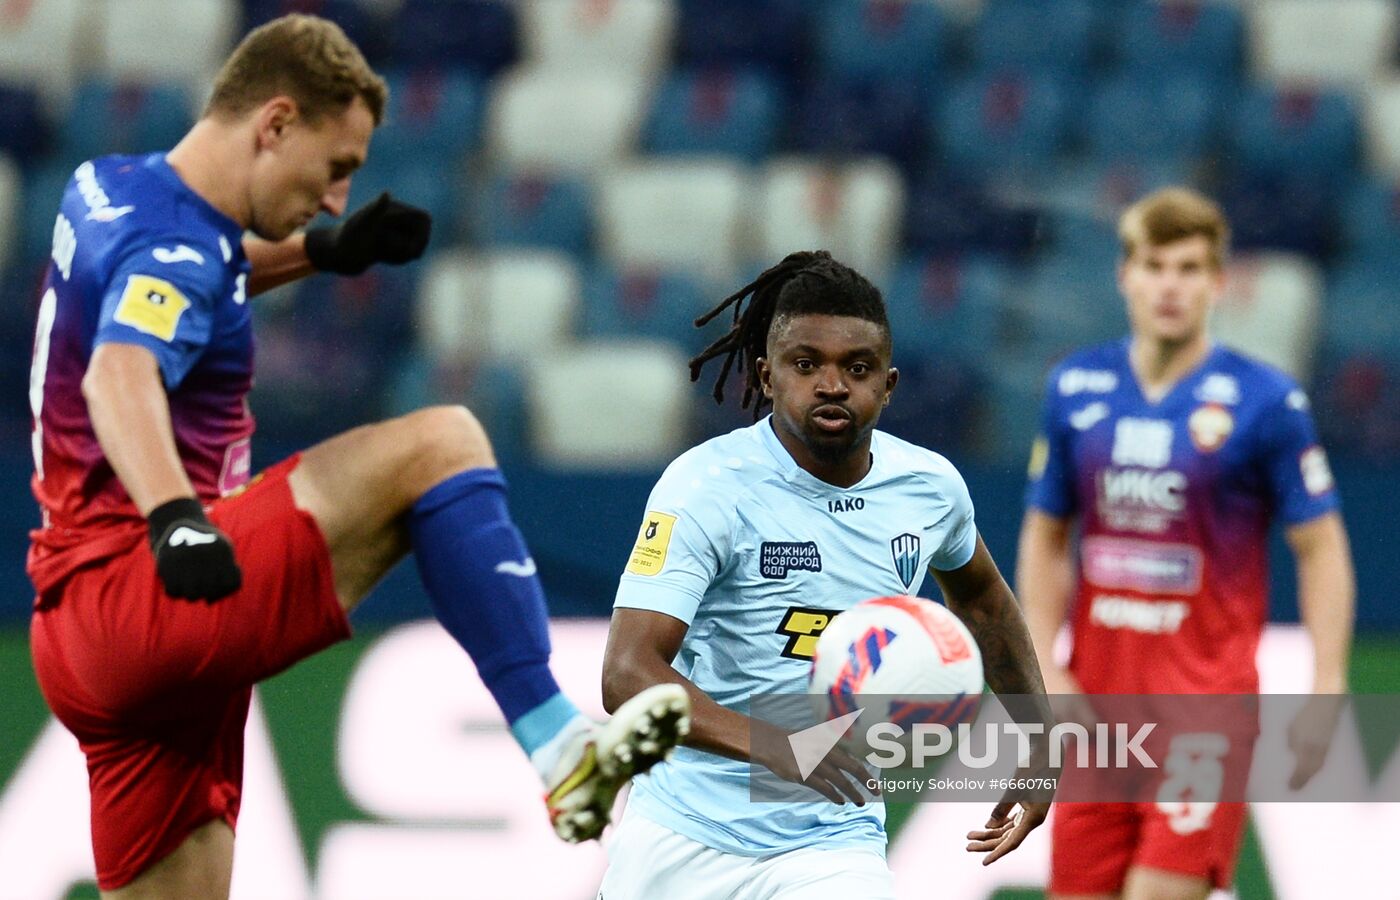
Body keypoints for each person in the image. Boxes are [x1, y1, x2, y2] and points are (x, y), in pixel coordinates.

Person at [25, 14, 688, 898]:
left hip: (80, 631)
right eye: (334, 168)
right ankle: (560, 744)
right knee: (439, 443)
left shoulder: (102, 188)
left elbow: (195, 269)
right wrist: (176, 517)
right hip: (148, 592)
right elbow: (120, 374)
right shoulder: (175, 249)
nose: (337, 195)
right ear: (275, 123)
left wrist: (317, 252)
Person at [596, 251, 1052, 899]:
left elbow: (982, 599)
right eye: (805, 364)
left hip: (832, 841)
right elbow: (626, 673)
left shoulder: (929, 489)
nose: (832, 385)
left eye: (857, 368)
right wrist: (777, 746)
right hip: (682, 832)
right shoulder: (704, 488)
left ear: (888, 386)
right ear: (768, 376)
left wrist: (1038, 739)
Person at [1017, 187, 1355, 900]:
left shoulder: (1267, 401)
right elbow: (1046, 536)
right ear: (1126, 275)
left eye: (1191, 268)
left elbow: (1320, 547)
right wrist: (1043, 665)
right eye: (1156, 265)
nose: (1171, 285)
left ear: (1218, 282)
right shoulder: (1075, 388)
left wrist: (1327, 683)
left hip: (1204, 717)